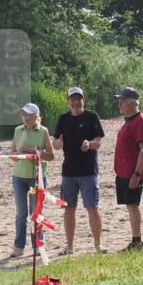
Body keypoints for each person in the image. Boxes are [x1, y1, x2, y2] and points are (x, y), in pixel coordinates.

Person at [52, 86, 106, 254]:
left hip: (88, 171)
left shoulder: (92, 117)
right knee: (69, 209)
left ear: (83, 100)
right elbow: (55, 143)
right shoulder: (63, 118)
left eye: (79, 98)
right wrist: (58, 144)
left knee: (92, 207)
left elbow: (99, 141)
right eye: (73, 99)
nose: (76, 102)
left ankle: (98, 245)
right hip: (68, 172)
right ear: (68, 101)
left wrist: (89, 144)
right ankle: (69, 246)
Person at [9, 103, 55, 260]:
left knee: (36, 213)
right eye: (23, 114)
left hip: (37, 177)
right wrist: (19, 153)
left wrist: (36, 153)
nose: (24, 117)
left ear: (36, 116)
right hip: (19, 176)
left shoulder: (43, 131)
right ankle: (19, 246)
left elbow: (51, 155)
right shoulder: (17, 130)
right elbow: (12, 154)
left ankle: (37, 245)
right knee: (21, 213)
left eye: (27, 115)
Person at [113, 87, 143, 251]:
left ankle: (137, 241)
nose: (119, 104)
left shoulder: (141, 121)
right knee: (130, 205)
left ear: (131, 103)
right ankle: (135, 240)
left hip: (131, 173)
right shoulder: (129, 120)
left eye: (122, 101)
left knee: (133, 205)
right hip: (123, 171)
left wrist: (137, 174)